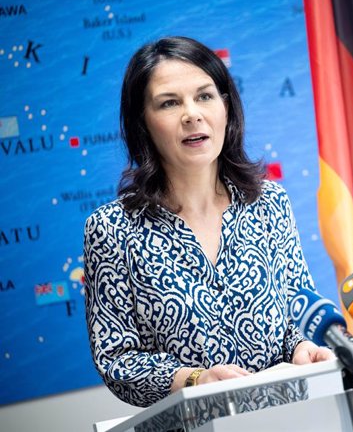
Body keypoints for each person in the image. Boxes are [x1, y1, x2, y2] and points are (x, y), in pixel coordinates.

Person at [83, 36, 332, 408]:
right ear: (143, 124)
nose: (191, 114)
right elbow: (117, 360)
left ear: (226, 108)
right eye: (169, 103)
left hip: (289, 415)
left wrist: (303, 347)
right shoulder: (112, 229)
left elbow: (297, 309)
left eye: (204, 96)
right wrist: (194, 379)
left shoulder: (270, 203)